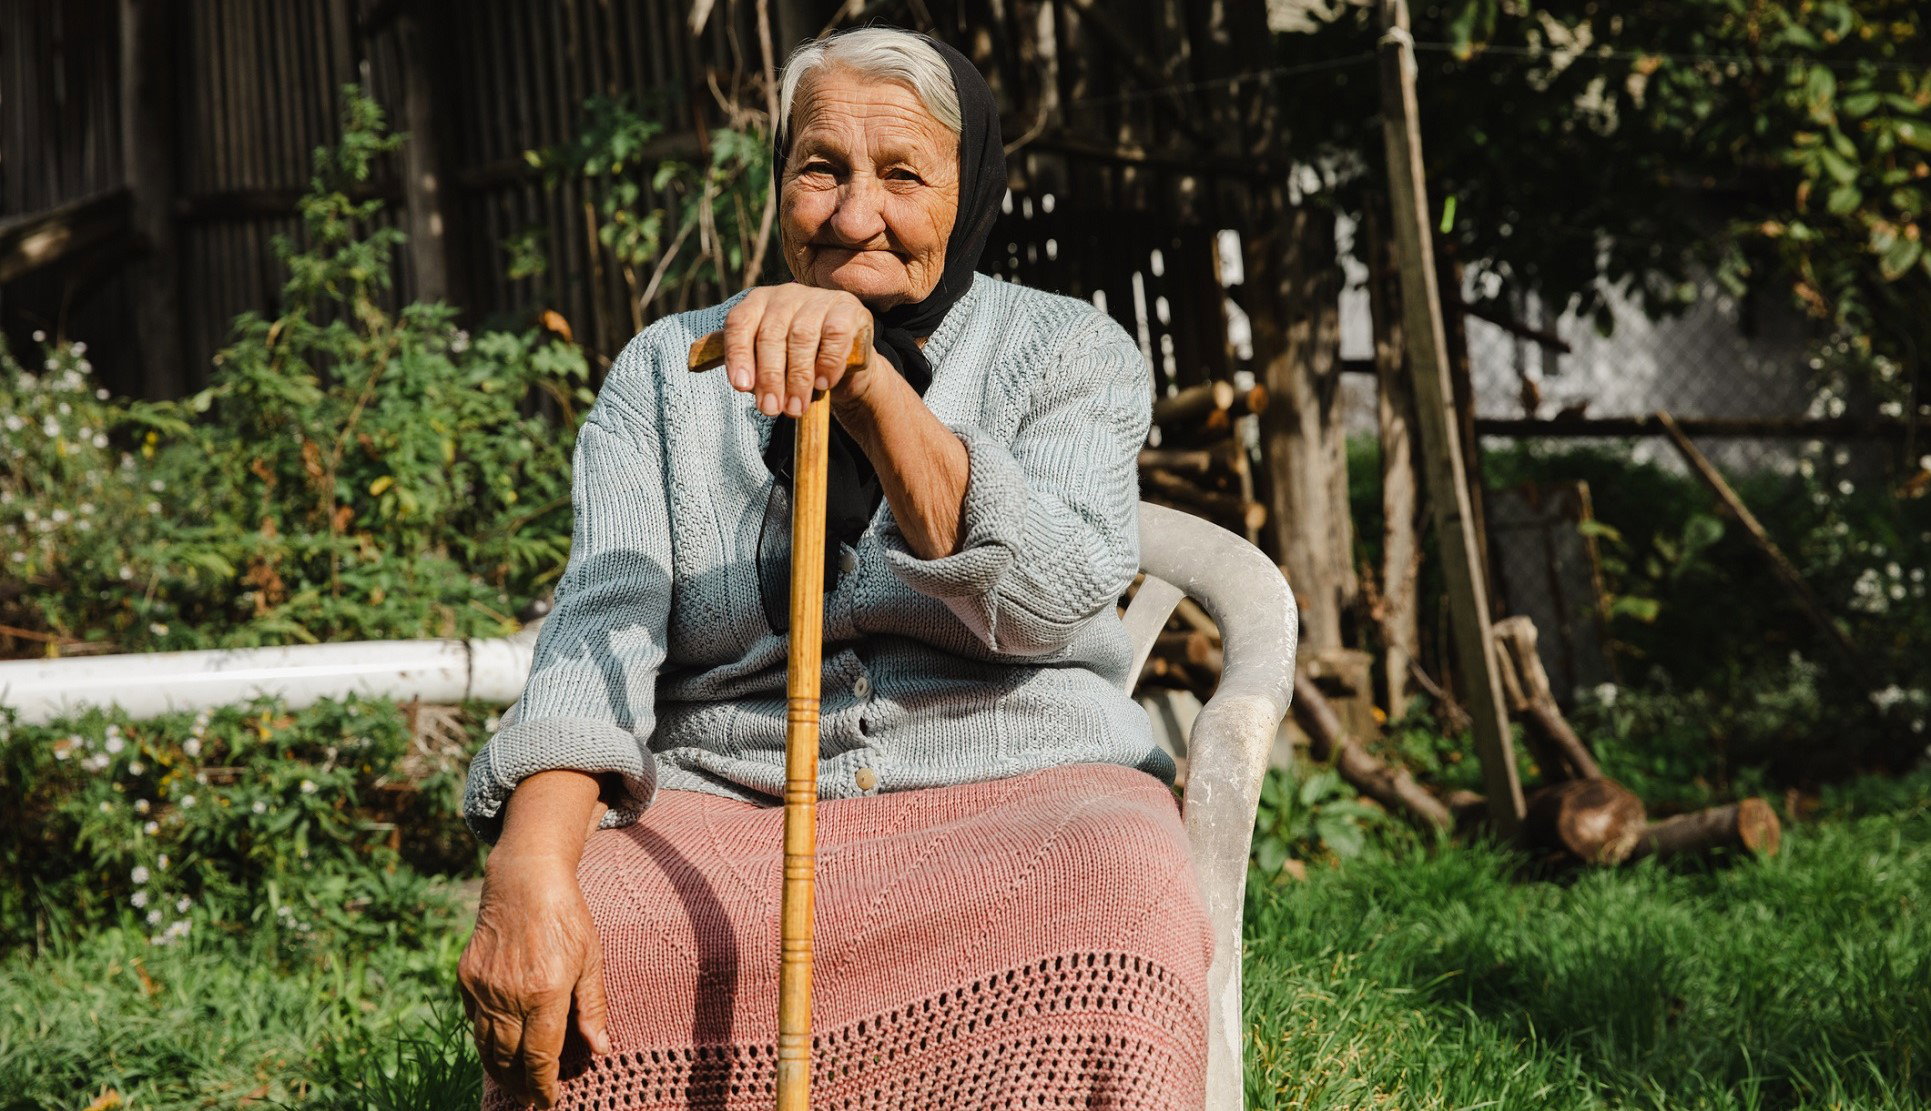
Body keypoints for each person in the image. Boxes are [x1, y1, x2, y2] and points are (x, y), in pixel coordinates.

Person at [458, 27, 1210, 1110]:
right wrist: (528, 865)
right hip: (731, 805)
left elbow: (1048, 602)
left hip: (1024, 796)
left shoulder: (1067, 350)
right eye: (821, 169)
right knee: (593, 947)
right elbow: (597, 631)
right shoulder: (667, 374)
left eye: (902, 174)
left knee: (1109, 908)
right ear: (778, 184)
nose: (855, 215)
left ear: (971, 185)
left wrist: (868, 391)